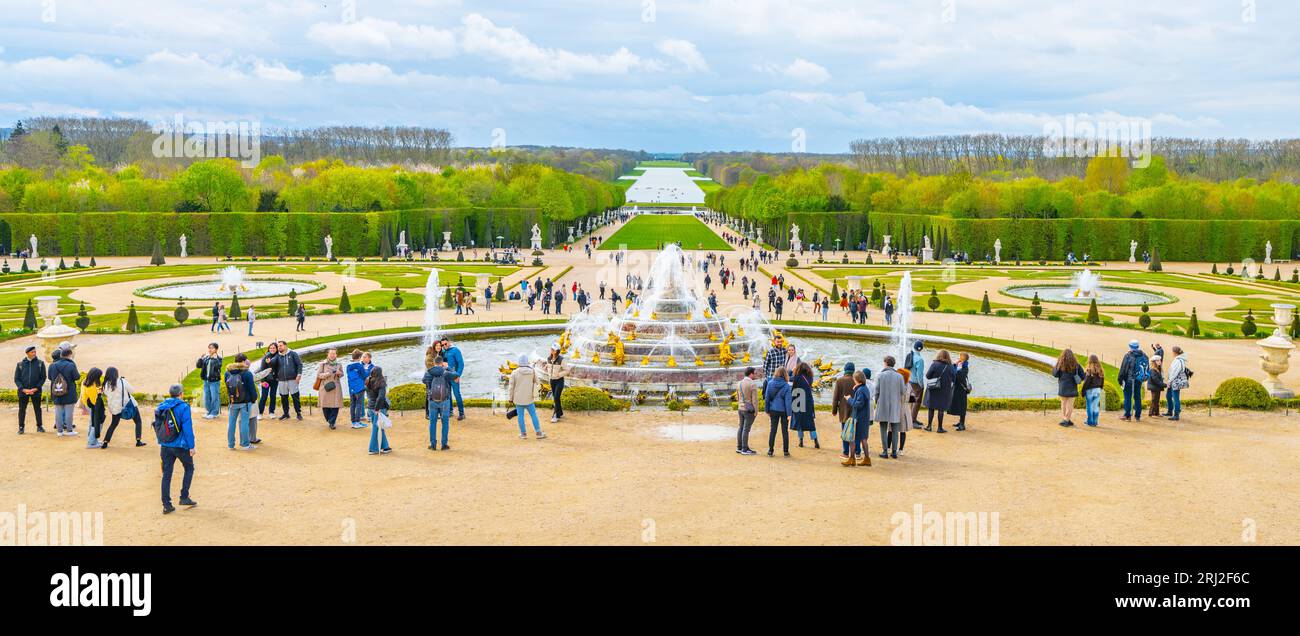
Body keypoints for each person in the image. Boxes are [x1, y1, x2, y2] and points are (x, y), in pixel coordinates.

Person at [156, 384, 198, 514]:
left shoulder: (161, 406)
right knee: (189, 468)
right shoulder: (184, 407)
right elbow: (187, 428)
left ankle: (166, 504)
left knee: (166, 474)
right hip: (180, 445)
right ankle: (184, 496)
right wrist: (191, 446)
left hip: (165, 445)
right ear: (181, 394)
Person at [101, 367, 145, 449]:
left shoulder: (105, 384)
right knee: (138, 421)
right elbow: (132, 390)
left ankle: (105, 442)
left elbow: (106, 394)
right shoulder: (122, 381)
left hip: (115, 408)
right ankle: (138, 441)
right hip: (128, 405)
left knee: (113, 424)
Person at [422, 355, 459, 450]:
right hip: (444, 400)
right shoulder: (445, 372)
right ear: (442, 363)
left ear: (434, 363)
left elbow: (423, 381)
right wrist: (448, 367)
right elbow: (456, 374)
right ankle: (444, 444)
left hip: (432, 400)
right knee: (445, 422)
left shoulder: (429, 372)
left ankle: (433, 444)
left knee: (432, 423)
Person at [875, 356, 907, 459]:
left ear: (886, 363)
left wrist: (877, 403)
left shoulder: (880, 375)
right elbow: (903, 391)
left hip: (883, 404)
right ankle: (894, 452)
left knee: (883, 429)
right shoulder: (899, 377)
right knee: (895, 430)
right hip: (895, 406)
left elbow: (877, 392)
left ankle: (885, 451)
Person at [507, 355, 546, 439]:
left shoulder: (514, 372)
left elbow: (511, 387)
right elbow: (537, 382)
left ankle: (523, 434)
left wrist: (510, 399)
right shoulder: (532, 371)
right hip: (529, 398)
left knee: (520, 416)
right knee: (533, 415)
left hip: (518, 399)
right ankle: (538, 433)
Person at [224, 353, 257, 450]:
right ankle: (245, 444)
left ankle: (230, 444)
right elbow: (252, 389)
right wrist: (253, 399)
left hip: (233, 401)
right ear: (243, 361)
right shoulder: (247, 373)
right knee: (244, 423)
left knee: (231, 423)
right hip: (245, 402)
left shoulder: (227, 372)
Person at [48, 345, 80, 437]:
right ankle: (69, 430)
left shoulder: (52, 365)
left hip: (56, 391)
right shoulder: (71, 365)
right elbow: (77, 377)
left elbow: (50, 377)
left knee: (58, 411)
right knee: (69, 412)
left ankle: (59, 431)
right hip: (69, 391)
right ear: (69, 355)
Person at [14, 345, 46, 434]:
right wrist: (23, 389)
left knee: (37, 409)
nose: (34, 353)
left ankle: (39, 426)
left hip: (36, 391)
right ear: (27, 353)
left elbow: (43, 378)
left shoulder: (40, 363)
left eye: (35, 352)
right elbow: (17, 379)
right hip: (23, 392)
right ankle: (21, 427)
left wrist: (36, 388)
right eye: (32, 352)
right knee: (22, 409)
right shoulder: (20, 364)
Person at [830, 362, 858, 459]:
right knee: (855, 431)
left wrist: (834, 410)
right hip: (855, 410)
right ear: (853, 370)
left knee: (845, 431)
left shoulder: (840, 381)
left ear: (845, 370)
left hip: (843, 410)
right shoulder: (857, 381)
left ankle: (846, 452)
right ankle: (857, 452)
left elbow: (835, 398)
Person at [763, 366, 793, 457]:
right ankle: (786, 452)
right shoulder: (786, 385)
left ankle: (770, 451)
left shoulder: (770, 383)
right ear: (785, 374)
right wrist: (789, 414)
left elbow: (767, 398)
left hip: (773, 410)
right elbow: (788, 401)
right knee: (785, 431)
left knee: (773, 430)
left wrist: (767, 410)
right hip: (783, 411)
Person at [845, 370, 873, 466]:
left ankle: (852, 459)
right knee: (863, 438)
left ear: (858, 380)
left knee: (852, 438)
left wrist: (849, 399)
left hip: (859, 418)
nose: (853, 381)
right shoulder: (864, 388)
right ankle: (866, 458)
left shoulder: (861, 390)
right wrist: (855, 389)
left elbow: (857, 405)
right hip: (864, 418)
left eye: (854, 379)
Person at [1117, 340, 1149, 422]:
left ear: (1130, 346)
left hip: (1129, 380)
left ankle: (1127, 415)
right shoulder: (1144, 355)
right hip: (1138, 380)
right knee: (1137, 397)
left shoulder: (1128, 356)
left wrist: (1120, 380)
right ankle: (1137, 416)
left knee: (1127, 397)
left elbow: (1123, 369)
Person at [924, 349, 955, 433]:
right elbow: (953, 378)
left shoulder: (935, 364)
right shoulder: (950, 366)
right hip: (944, 390)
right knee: (941, 409)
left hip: (934, 388)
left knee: (931, 408)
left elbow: (927, 376)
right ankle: (939, 428)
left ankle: (929, 426)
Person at [1052, 349, 1085, 427]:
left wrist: (1057, 365)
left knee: (1063, 403)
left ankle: (1065, 419)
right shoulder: (1076, 365)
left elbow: (1055, 374)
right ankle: (1067, 419)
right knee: (1070, 404)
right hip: (1072, 386)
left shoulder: (1060, 364)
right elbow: (1083, 376)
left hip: (1063, 386)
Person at [790, 362, 819, 449]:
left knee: (799, 422)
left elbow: (794, 390)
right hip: (808, 401)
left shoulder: (797, 378)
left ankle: (801, 441)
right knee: (810, 422)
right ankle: (815, 441)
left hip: (799, 401)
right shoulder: (810, 378)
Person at [365, 365, 392, 454]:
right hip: (378, 409)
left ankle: (385, 447)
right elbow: (380, 397)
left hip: (370, 408)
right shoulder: (381, 383)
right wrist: (377, 409)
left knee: (379, 427)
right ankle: (372, 449)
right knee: (376, 429)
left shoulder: (368, 381)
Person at [315, 348, 345, 430]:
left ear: (336, 355)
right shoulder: (323, 364)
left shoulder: (339, 364)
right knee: (325, 406)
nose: (332, 355)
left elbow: (342, 374)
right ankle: (329, 419)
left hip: (336, 387)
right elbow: (319, 375)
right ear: (328, 355)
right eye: (331, 353)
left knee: (336, 405)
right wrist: (327, 374)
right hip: (325, 387)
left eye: (334, 353)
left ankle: (332, 422)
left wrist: (339, 373)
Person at [276, 340, 303, 420]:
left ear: (285, 346)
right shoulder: (277, 356)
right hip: (281, 380)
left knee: (295, 397)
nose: (279, 347)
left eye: (280, 345)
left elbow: (299, 365)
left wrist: (299, 375)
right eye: (278, 346)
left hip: (292, 379)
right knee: (284, 398)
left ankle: (298, 413)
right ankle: (286, 413)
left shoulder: (293, 354)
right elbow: (272, 364)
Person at [439, 336, 466, 420]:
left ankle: (461, 413)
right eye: (442, 345)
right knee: (448, 395)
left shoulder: (456, 350)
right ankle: (450, 411)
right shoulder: (443, 351)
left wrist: (458, 375)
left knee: (457, 394)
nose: (444, 346)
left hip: (454, 376)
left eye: (445, 344)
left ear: (449, 342)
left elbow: (461, 364)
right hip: (446, 376)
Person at [196, 343, 223, 419]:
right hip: (206, 380)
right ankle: (209, 411)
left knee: (214, 397)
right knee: (206, 397)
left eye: (212, 348)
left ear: (216, 349)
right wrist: (201, 358)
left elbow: (218, 366)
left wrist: (215, 359)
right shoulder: (207, 358)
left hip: (214, 381)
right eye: (209, 348)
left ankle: (214, 412)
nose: (210, 349)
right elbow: (198, 366)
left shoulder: (219, 358)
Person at [736, 367, 759, 455]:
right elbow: (755, 400)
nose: (756, 375)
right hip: (749, 409)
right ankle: (744, 449)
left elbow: (738, 397)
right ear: (751, 374)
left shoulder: (739, 383)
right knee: (746, 429)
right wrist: (756, 411)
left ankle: (739, 447)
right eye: (755, 373)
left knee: (741, 427)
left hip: (740, 408)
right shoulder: (752, 384)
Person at [82, 367, 106, 449]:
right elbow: (94, 401)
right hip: (94, 406)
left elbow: (99, 391)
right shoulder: (91, 386)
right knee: (95, 423)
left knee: (92, 423)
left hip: (90, 405)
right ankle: (91, 442)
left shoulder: (87, 381)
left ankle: (92, 440)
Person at [544, 345, 569, 423]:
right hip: (552, 380)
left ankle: (556, 415)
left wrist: (558, 375)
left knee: (556, 398)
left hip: (559, 381)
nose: (551, 350)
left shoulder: (561, 360)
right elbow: (549, 366)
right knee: (556, 397)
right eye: (551, 348)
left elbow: (567, 370)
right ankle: (560, 412)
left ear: (556, 351)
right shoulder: (548, 358)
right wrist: (546, 367)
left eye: (552, 349)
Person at [346, 349, 370, 429]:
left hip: (351, 388)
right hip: (359, 388)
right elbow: (365, 375)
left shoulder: (348, 366)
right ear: (359, 357)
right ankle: (357, 422)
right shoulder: (359, 366)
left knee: (352, 405)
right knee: (359, 404)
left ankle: (353, 422)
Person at [948, 352, 971, 431]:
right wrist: (955, 365)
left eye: (960, 356)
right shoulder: (961, 365)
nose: (959, 357)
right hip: (958, 388)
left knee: (962, 406)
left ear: (963, 358)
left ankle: (962, 424)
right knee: (959, 405)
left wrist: (957, 368)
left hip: (961, 389)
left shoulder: (965, 367)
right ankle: (960, 422)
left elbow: (960, 376)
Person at [905, 340, 926, 428]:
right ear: (921, 349)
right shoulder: (920, 359)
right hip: (916, 383)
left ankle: (912, 418)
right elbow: (919, 375)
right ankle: (912, 421)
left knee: (912, 400)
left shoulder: (910, 355)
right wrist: (921, 385)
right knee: (917, 402)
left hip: (909, 381)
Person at [1081, 355, 1105, 427]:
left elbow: (1086, 382)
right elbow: (1102, 381)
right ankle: (1095, 421)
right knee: (1096, 407)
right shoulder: (1100, 370)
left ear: (1089, 361)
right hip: (1097, 390)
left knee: (1089, 407)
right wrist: (1101, 388)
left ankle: (1090, 422)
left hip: (1090, 390)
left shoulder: (1089, 370)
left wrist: (1083, 391)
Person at [1166, 346, 1189, 422]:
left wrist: (1169, 381)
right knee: (1168, 396)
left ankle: (1176, 414)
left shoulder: (1178, 360)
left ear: (1175, 353)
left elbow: (1174, 373)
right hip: (1173, 381)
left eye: (1172, 352)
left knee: (1175, 398)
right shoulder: (1178, 359)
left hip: (1175, 382)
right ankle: (1170, 411)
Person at [258, 344, 279, 420]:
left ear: (276, 349)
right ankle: (260, 413)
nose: (272, 349)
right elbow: (262, 369)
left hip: (275, 380)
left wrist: (270, 363)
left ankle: (271, 412)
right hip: (266, 380)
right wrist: (262, 381)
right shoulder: (265, 357)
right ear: (268, 349)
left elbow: (277, 367)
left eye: (274, 348)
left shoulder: (278, 356)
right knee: (264, 396)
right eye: (270, 348)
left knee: (273, 396)